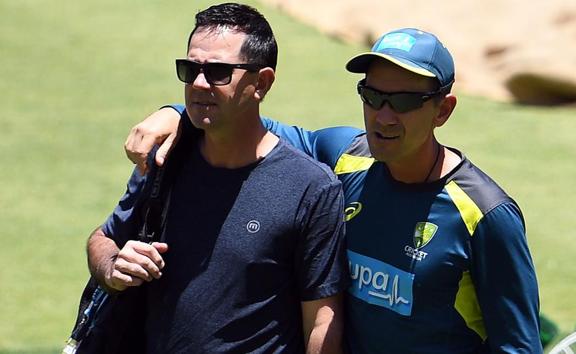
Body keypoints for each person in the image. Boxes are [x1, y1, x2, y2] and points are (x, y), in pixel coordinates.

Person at [126, 27, 542, 353]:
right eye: (372, 95)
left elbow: (518, 346)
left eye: (403, 102)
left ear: (443, 110)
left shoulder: (485, 215)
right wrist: (175, 112)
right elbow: (248, 127)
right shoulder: (344, 156)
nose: (383, 116)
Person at [87, 3, 347, 353]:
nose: (198, 83)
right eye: (190, 69)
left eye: (218, 73)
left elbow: (321, 320)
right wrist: (113, 267)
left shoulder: (311, 188)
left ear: (262, 83)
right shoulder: (166, 159)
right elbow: (103, 238)